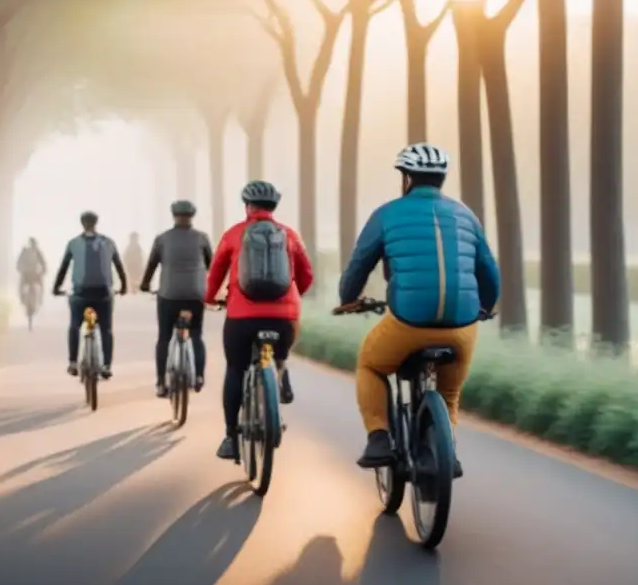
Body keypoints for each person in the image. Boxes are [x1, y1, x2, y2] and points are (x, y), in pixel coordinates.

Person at [336, 143, 501, 477]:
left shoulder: (386, 214)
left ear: (406, 177)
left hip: (408, 322)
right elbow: (489, 271)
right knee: (449, 391)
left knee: (370, 364)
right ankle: (447, 454)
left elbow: (359, 265)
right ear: (442, 178)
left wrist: (348, 298)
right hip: (461, 326)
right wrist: (485, 305)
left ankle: (379, 438)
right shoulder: (466, 214)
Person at [205, 181, 314, 460]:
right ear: (274, 207)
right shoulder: (289, 235)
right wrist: (290, 300)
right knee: (280, 352)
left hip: (242, 317)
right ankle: (279, 368)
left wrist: (209, 298)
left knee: (235, 369)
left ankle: (231, 437)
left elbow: (215, 273)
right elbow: (306, 275)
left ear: (248, 207)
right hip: (284, 319)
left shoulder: (233, 235)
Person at [140, 200, 213, 398]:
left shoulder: (162, 239)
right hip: (196, 296)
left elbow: (152, 265)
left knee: (164, 337)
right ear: (192, 216)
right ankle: (198, 376)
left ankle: (161, 382)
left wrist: (145, 285)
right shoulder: (202, 238)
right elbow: (212, 267)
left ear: (174, 216)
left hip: (169, 296)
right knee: (196, 334)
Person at [51, 211, 128, 378]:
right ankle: (107, 365)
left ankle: (72, 362)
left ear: (81, 223)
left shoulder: (73, 243)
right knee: (106, 329)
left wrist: (56, 288)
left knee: (74, 326)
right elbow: (119, 267)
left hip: (80, 294)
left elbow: (63, 268)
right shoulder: (108, 242)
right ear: (96, 223)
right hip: (103, 294)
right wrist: (123, 287)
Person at [16, 237, 47, 309]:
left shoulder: (35, 251)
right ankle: (23, 298)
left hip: (31, 273)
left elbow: (43, 262)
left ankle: (39, 298)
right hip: (29, 273)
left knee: (22, 285)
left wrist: (44, 270)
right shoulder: (28, 251)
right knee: (22, 285)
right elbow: (19, 262)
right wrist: (44, 270)